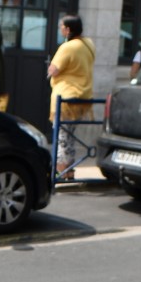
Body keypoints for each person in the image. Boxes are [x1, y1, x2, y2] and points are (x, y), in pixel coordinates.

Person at [47, 14, 95, 180]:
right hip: (83, 97)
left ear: (67, 29)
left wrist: (51, 71)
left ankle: (59, 173)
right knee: (70, 137)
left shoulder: (67, 47)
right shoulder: (88, 44)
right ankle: (70, 171)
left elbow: (53, 69)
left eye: (61, 26)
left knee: (61, 138)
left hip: (65, 98)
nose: (60, 29)